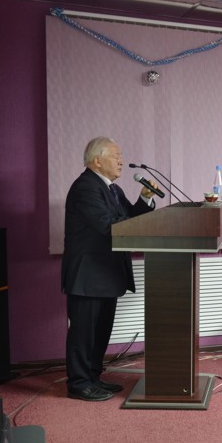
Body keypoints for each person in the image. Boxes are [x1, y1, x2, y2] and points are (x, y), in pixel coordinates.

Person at [62, 137, 158, 401]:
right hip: (88, 275)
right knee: (84, 333)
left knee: (101, 330)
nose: (121, 161)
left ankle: (93, 377)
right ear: (97, 160)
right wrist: (129, 220)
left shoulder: (113, 189)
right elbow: (108, 225)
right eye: (116, 156)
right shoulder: (86, 187)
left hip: (106, 273)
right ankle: (79, 383)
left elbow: (129, 219)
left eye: (120, 156)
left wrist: (145, 198)